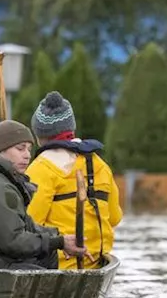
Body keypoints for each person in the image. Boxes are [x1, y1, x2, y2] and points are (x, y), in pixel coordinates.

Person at [0, 120, 89, 270]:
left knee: (47, 254)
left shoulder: (1, 179)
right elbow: (13, 242)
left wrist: (60, 238)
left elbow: (26, 226)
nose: (27, 155)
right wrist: (58, 243)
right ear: (2, 149)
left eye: (29, 149)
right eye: (20, 149)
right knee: (39, 271)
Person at [25, 91, 122, 269]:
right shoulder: (100, 165)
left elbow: (28, 224)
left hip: (57, 264)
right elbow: (115, 218)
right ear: (72, 129)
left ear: (39, 135)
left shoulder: (41, 167)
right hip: (95, 262)